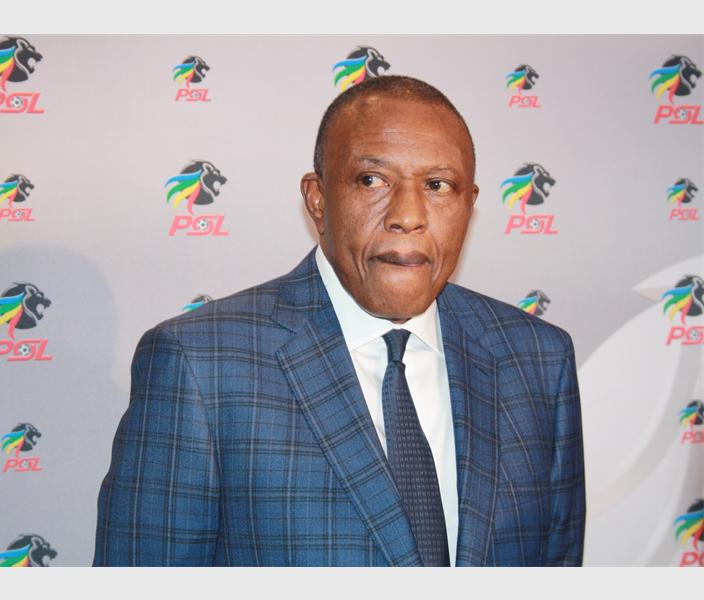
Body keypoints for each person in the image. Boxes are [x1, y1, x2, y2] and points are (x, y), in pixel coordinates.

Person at [93, 75, 585, 567]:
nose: (408, 215)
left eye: (438, 186)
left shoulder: (538, 359)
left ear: (468, 205)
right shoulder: (200, 365)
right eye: (372, 180)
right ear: (318, 199)